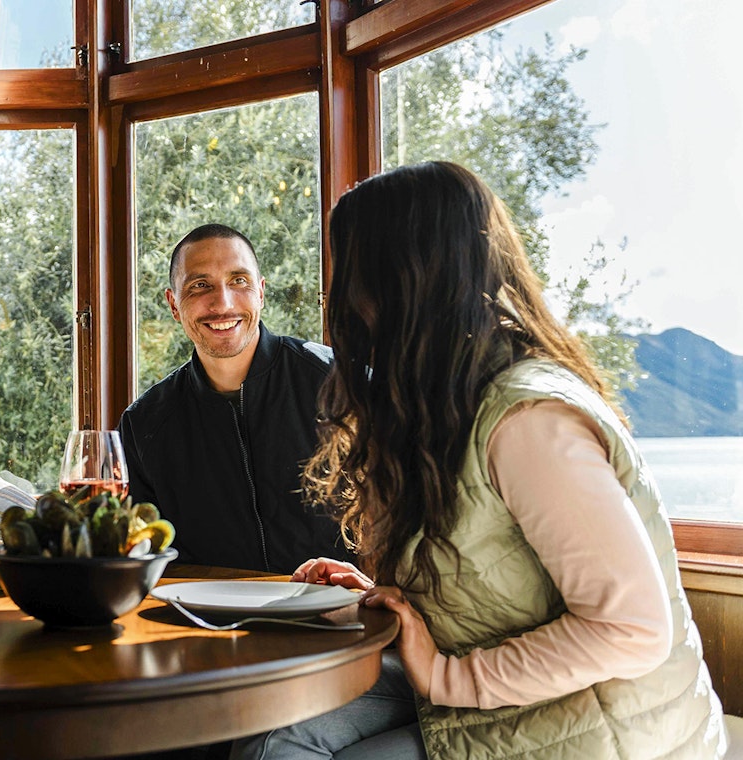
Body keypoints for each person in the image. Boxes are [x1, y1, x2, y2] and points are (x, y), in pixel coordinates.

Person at [233, 162, 726, 759]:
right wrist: (388, 600)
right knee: (271, 740)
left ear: (404, 281)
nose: (339, 296)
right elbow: (496, 577)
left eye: (352, 270)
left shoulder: (528, 421)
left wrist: (447, 677)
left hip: (601, 729)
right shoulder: (448, 403)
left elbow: (632, 630)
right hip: (501, 692)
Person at [118, 223, 354, 573]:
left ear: (261, 292)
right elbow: (139, 559)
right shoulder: (143, 424)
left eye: (239, 281)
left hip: (340, 604)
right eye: (200, 286)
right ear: (173, 304)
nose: (223, 303)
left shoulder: (342, 386)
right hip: (198, 608)